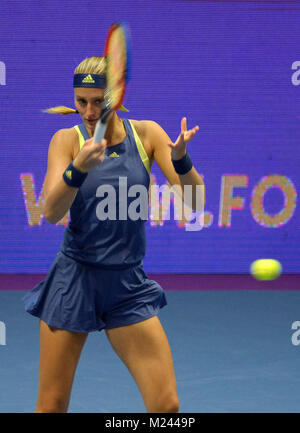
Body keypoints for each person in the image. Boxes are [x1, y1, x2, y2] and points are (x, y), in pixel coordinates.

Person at [23, 56, 205, 413]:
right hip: (75, 281)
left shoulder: (148, 134)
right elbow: (50, 212)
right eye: (81, 101)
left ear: (116, 97)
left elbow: (195, 200)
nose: (89, 112)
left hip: (127, 286)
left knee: (166, 407)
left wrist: (181, 159)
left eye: (98, 102)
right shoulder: (66, 140)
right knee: (51, 407)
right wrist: (78, 169)